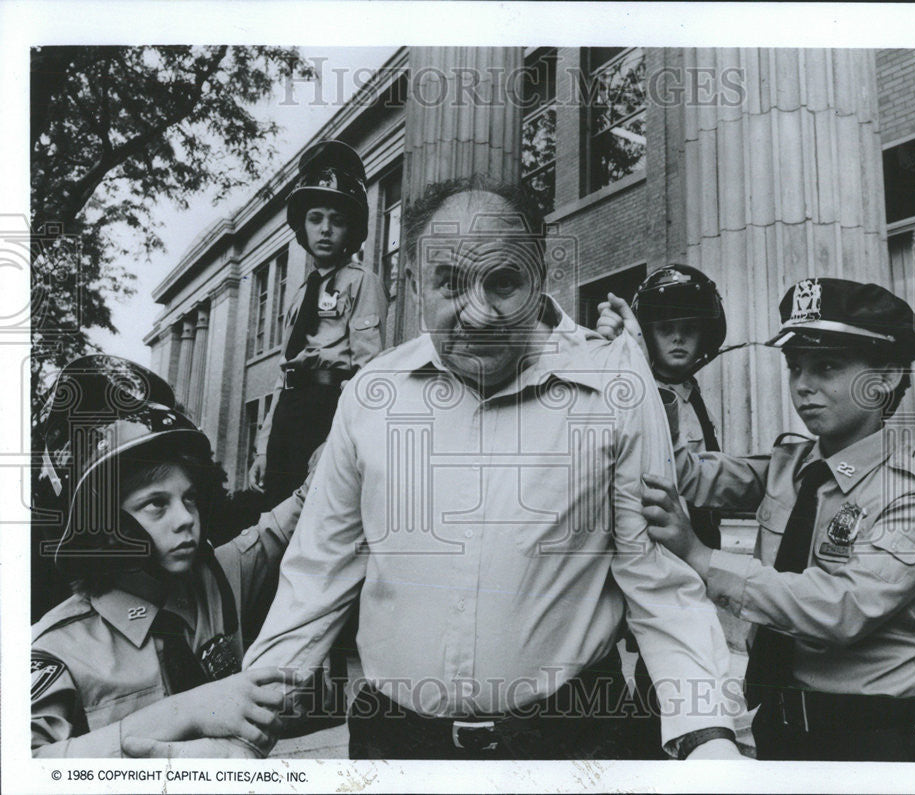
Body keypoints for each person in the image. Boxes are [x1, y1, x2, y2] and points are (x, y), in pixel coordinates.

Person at [162, 176, 742, 760]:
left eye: (504, 282)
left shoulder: (614, 387)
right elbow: (316, 577)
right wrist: (244, 727)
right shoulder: (371, 396)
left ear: (539, 279)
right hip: (396, 749)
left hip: (573, 745)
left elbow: (660, 584)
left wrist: (707, 736)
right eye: (449, 281)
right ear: (414, 285)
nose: (479, 313)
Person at [641, 278, 915, 761]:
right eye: (795, 368)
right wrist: (653, 376)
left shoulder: (913, 495)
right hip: (779, 723)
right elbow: (687, 472)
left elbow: (841, 610)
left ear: (887, 377)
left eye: (827, 367)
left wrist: (703, 559)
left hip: (869, 740)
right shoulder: (792, 466)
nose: (803, 386)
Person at [31, 355, 306, 757]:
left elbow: (295, 516)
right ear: (102, 524)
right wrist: (183, 712)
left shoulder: (219, 577)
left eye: (190, 497)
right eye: (156, 504)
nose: (186, 519)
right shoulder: (58, 647)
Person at [595, 264, 728, 757]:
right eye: (664, 327)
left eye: (689, 328)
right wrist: (612, 346)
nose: (677, 338)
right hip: (641, 561)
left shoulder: (689, 394)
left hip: (684, 553)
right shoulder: (633, 384)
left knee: (668, 688)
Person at [249, 138, 388, 508]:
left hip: (326, 409)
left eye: (337, 220)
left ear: (351, 229)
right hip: (288, 415)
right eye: (316, 218)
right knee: (273, 513)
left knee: (314, 515)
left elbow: (367, 372)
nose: (325, 229)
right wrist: (264, 448)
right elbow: (282, 374)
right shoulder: (298, 296)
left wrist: (338, 438)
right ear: (302, 226)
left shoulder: (361, 282)